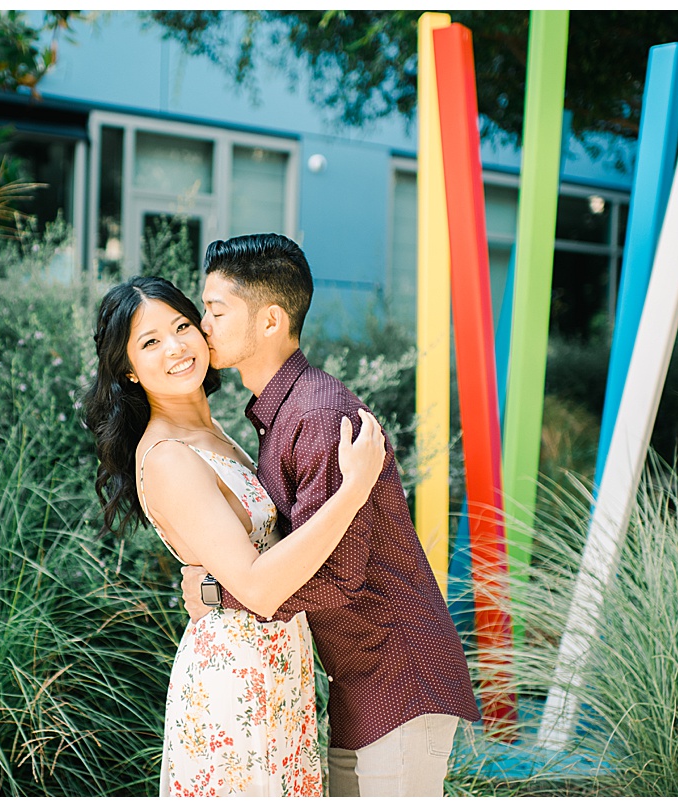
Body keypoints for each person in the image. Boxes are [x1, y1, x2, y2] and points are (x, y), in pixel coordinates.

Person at [180, 233, 481, 797]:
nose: (203, 326)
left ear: (270, 321)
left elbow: (336, 577)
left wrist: (219, 594)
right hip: (363, 680)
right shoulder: (281, 415)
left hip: (400, 677)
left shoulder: (320, 416)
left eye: (216, 310)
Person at [82, 276, 387, 797]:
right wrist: (353, 490)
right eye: (150, 341)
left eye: (182, 326)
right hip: (233, 681)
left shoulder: (213, 433)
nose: (176, 347)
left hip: (278, 669)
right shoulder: (170, 457)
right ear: (128, 370)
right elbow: (257, 586)